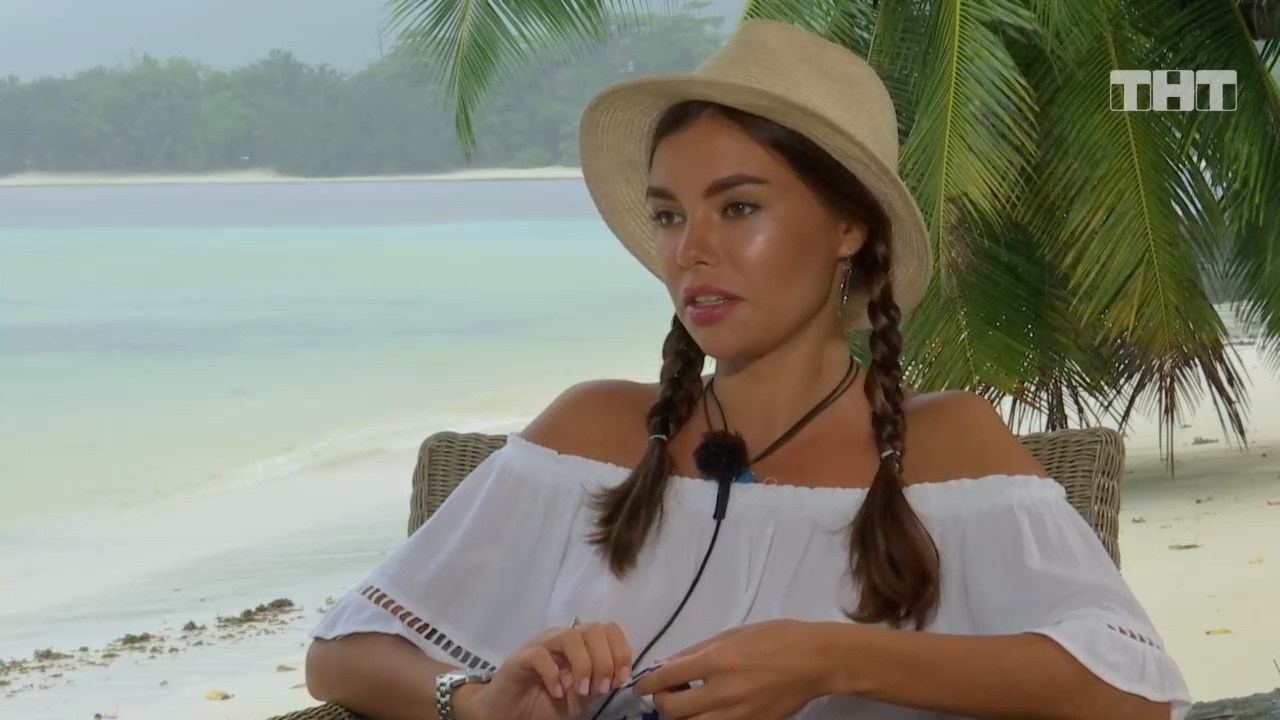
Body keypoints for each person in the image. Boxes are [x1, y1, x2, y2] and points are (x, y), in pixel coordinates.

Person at [303, 19, 1192, 720]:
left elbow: (1131, 689)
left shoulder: (947, 444)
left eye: (737, 207)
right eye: (669, 215)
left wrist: (833, 659)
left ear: (850, 227)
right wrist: (478, 701)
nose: (690, 249)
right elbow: (343, 651)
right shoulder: (589, 434)